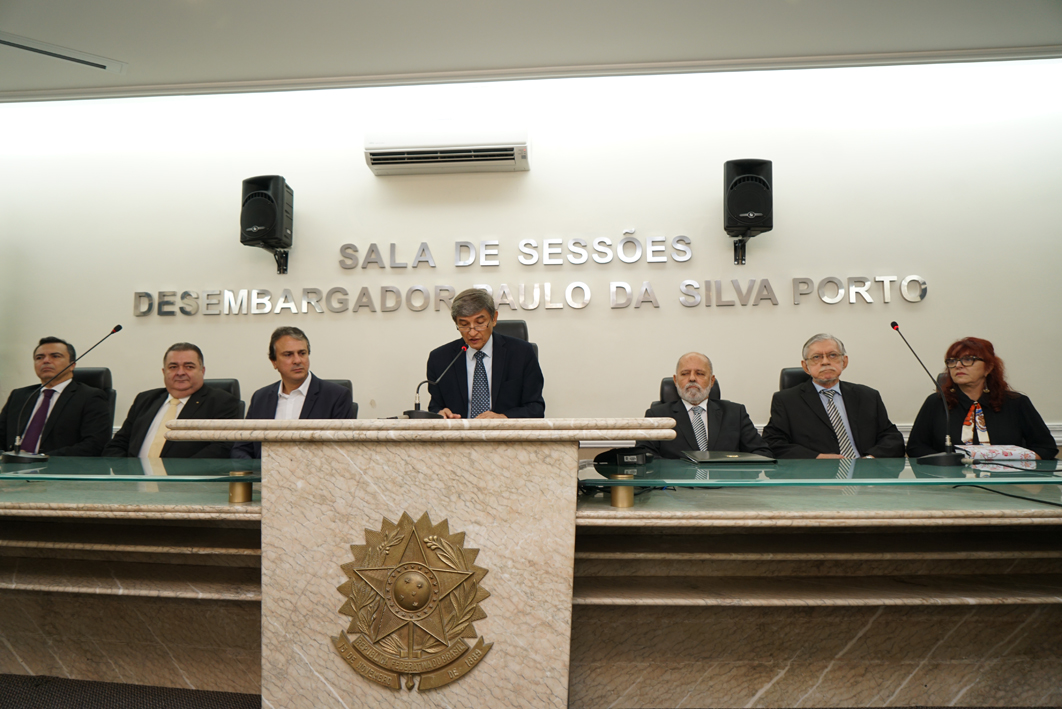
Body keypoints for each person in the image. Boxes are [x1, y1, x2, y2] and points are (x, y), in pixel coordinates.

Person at [906, 337, 1057, 460]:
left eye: (968, 359)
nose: (958, 365)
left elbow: (1046, 448)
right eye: (952, 361)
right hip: (950, 483)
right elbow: (916, 448)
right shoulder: (937, 402)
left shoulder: (1016, 403)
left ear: (988, 367)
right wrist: (949, 463)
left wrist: (1015, 462)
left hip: (1007, 481)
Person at [762, 333, 904, 458]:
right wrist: (817, 458)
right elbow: (773, 443)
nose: (825, 362)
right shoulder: (787, 401)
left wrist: (869, 459)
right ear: (805, 366)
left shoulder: (868, 396)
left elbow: (892, 438)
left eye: (833, 355)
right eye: (816, 357)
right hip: (816, 476)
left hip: (866, 472)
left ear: (844, 361)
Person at [232, 327, 356, 459]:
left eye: (302, 353)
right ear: (274, 362)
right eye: (288, 355)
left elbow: (342, 452)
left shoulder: (336, 396)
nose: (297, 360)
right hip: (266, 471)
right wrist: (259, 469)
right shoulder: (260, 398)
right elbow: (241, 448)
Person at [103, 342, 240, 458]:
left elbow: (221, 448)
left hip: (185, 479)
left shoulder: (221, 402)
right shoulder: (145, 400)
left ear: (202, 371)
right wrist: (125, 473)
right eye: (173, 367)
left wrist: (176, 474)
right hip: (134, 479)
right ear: (164, 372)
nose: (180, 372)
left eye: (189, 367)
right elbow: (118, 444)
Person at [427, 288, 545, 419]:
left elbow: (536, 408)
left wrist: (503, 418)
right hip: (460, 431)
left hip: (505, 431)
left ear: (494, 319)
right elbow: (435, 407)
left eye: (480, 323)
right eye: (464, 325)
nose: (472, 333)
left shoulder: (522, 353)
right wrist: (440, 414)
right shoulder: (439, 359)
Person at [637, 352, 771, 458]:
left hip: (726, 484)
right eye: (685, 374)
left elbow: (762, 453)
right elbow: (645, 456)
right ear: (675, 380)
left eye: (700, 373)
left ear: (712, 381)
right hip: (678, 484)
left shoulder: (735, 413)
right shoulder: (657, 416)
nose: (692, 378)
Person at [0, 337, 111, 456]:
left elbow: (94, 445)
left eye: (55, 356)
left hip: (57, 465)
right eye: (39, 357)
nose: (46, 361)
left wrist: (41, 458)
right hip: (10, 465)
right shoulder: (19, 396)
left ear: (72, 365)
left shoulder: (90, 397)